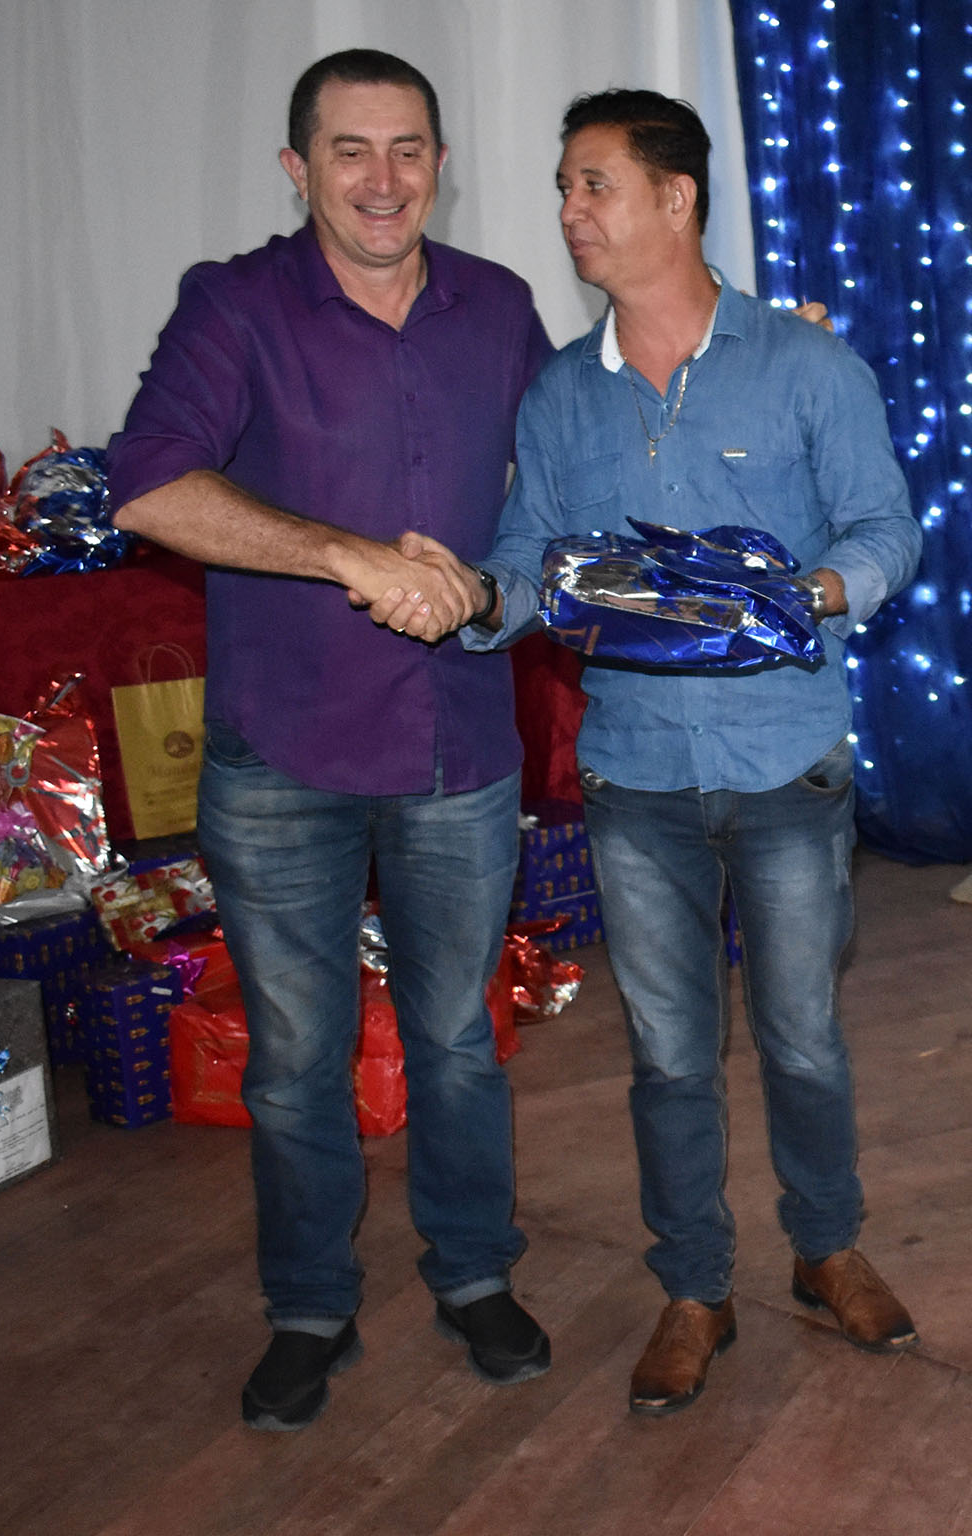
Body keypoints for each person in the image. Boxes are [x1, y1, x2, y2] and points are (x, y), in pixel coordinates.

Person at [379, 87, 923, 1417]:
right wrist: (470, 598)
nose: (571, 211)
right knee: (671, 1055)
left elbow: (886, 529)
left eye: (595, 184)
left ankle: (826, 1249)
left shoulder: (805, 366)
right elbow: (530, 566)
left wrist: (809, 594)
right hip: (634, 782)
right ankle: (694, 1288)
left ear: (676, 199)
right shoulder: (561, 397)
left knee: (803, 1038)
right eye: (564, 188)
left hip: (787, 764)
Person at [106, 48, 553, 1432]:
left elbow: (565, 476)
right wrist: (345, 555)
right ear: (298, 169)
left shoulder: (500, 305)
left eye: (408, 148)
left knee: (457, 1039)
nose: (382, 178)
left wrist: (749, 351)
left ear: (441, 166)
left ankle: (475, 1274)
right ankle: (309, 1305)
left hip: (458, 745)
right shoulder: (234, 304)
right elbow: (148, 486)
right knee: (296, 1057)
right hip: (282, 756)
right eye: (350, 150)